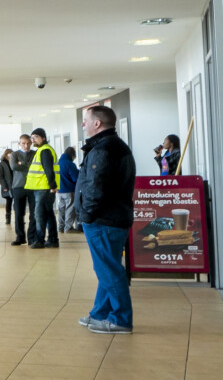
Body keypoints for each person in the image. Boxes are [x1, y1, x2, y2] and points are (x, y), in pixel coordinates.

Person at [75, 106, 136, 334]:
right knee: (106, 267)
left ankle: (120, 319)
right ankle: (100, 313)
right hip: (113, 217)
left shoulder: (103, 149)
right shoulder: (115, 146)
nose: (84, 124)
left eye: (86, 120)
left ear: (97, 124)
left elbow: (95, 187)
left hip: (104, 219)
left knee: (109, 270)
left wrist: (87, 216)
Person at [25, 129, 61, 249]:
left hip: (44, 188)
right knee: (49, 214)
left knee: (39, 215)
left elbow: (48, 169)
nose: (33, 140)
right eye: (32, 137)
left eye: (35, 137)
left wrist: (52, 186)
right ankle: (52, 239)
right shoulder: (42, 150)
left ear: (43, 138)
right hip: (42, 188)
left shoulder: (45, 151)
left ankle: (40, 240)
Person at [9, 136, 35, 246]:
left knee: (34, 213)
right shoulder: (15, 154)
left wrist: (22, 164)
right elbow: (14, 166)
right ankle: (20, 237)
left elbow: (36, 167)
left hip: (33, 186)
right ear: (19, 143)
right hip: (18, 187)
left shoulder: (34, 154)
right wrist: (27, 165)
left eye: (28, 143)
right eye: (24, 143)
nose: (26, 145)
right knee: (19, 213)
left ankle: (32, 237)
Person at [57, 147, 80, 232]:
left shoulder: (58, 162)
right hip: (69, 190)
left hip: (60, 190)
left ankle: (60, 227)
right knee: (70, 208)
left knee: (61, 209)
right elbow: (75, 178)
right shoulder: (69, 164)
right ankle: (68, 227)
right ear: (72, 155)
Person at [0, 149, 15, 227]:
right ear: (6, 154)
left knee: (17, 202)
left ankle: (18, 218)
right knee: (9, 202)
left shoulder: (14, 162)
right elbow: (0, 176)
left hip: (15, 185)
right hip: (7, 186)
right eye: (9, 153)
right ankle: (8, 218)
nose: (10, 155)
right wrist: (4, 186)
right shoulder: (2, 164)